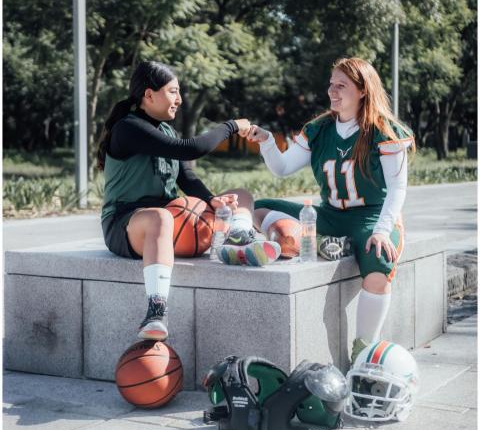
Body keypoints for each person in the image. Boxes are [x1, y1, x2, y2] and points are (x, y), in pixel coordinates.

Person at [247, 57, 414, 364]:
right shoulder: (320, 129)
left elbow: (397, 189)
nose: (333, 92)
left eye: (342, 86)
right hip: (329, 214)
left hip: (370, 215)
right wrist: (268, 142)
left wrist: (381, 230)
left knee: (379, 260)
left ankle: (364, 351)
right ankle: (320, 244)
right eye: (331, 84)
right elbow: (282, 168)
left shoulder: (383, 131)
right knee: (259, 208)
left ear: (363, 90)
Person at [97, 61, 280, 341]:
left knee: (241, 195)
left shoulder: (166, 131)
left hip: (169, 222)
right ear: (149, 95)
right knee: (161, 217)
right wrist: (231, 126)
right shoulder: (128, 128)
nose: (179, 100)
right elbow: (191, 149)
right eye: (173, 91)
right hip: (127, 224)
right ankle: (157, 310)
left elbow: (187, 177)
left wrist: (213, 200)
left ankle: (240, 240)